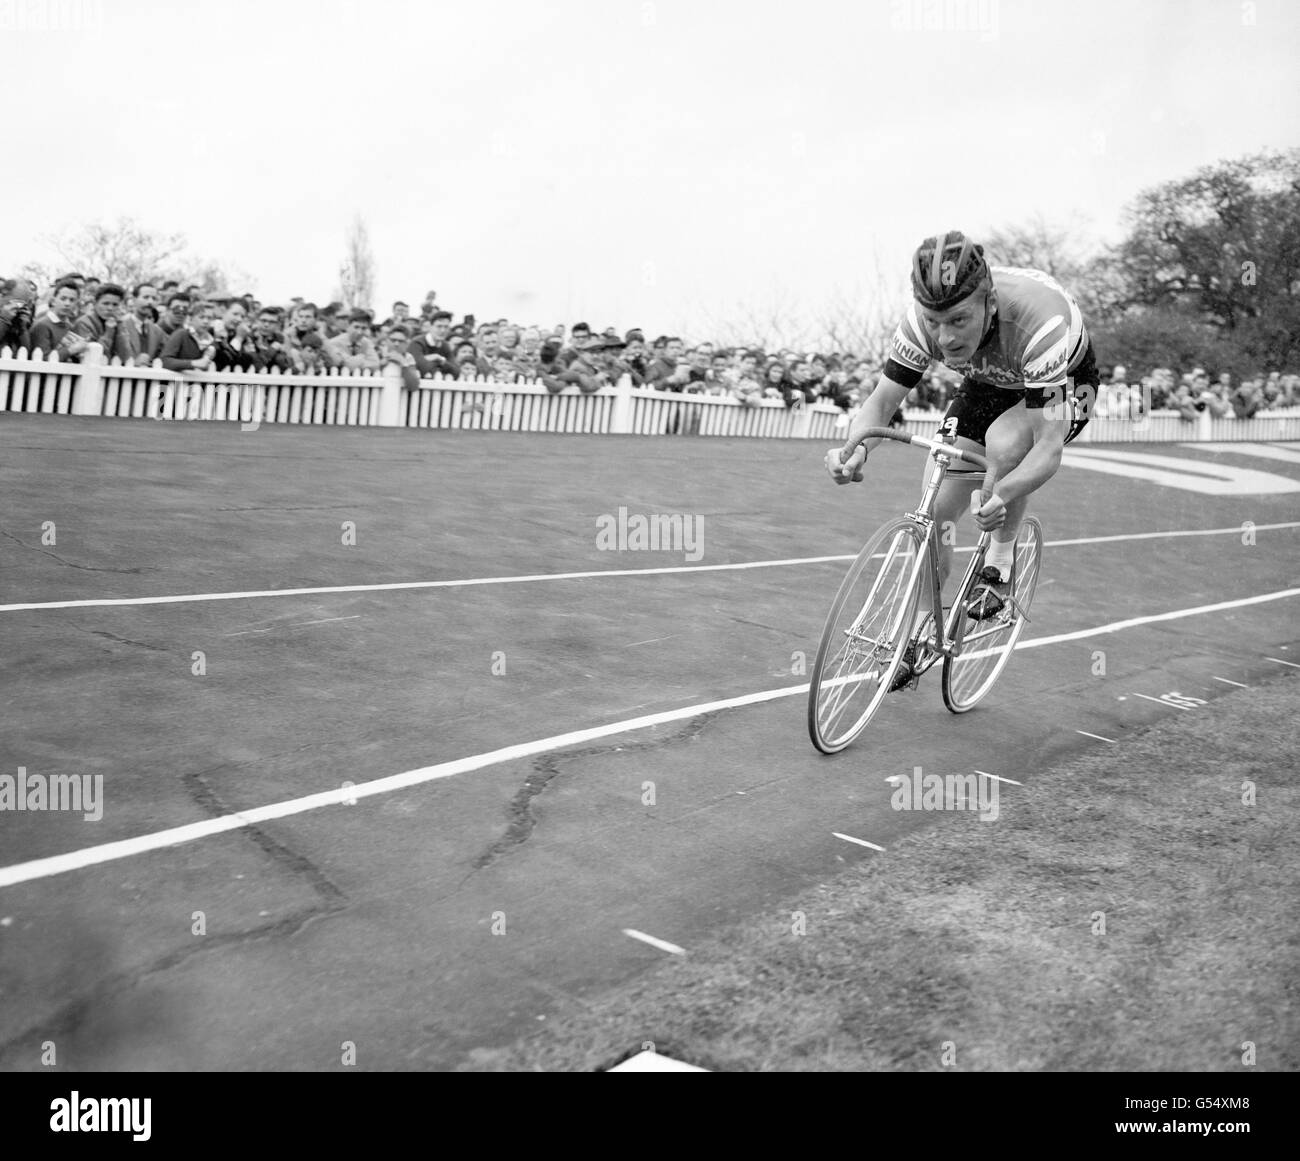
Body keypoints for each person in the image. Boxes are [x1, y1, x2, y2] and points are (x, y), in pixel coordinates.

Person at [826, 229, 1101, 691]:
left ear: (989, 301)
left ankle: (1000, 562)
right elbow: (880, 404)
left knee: (1004, 445)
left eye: (957, 320)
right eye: (935, 322)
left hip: (1064, 381)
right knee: (936, 509)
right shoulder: (923, 324)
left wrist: (1005, 491)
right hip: (990, 379)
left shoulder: (1041, 325)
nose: (945, 337)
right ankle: (921, 627)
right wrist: (853, 451)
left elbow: (1046, 447)